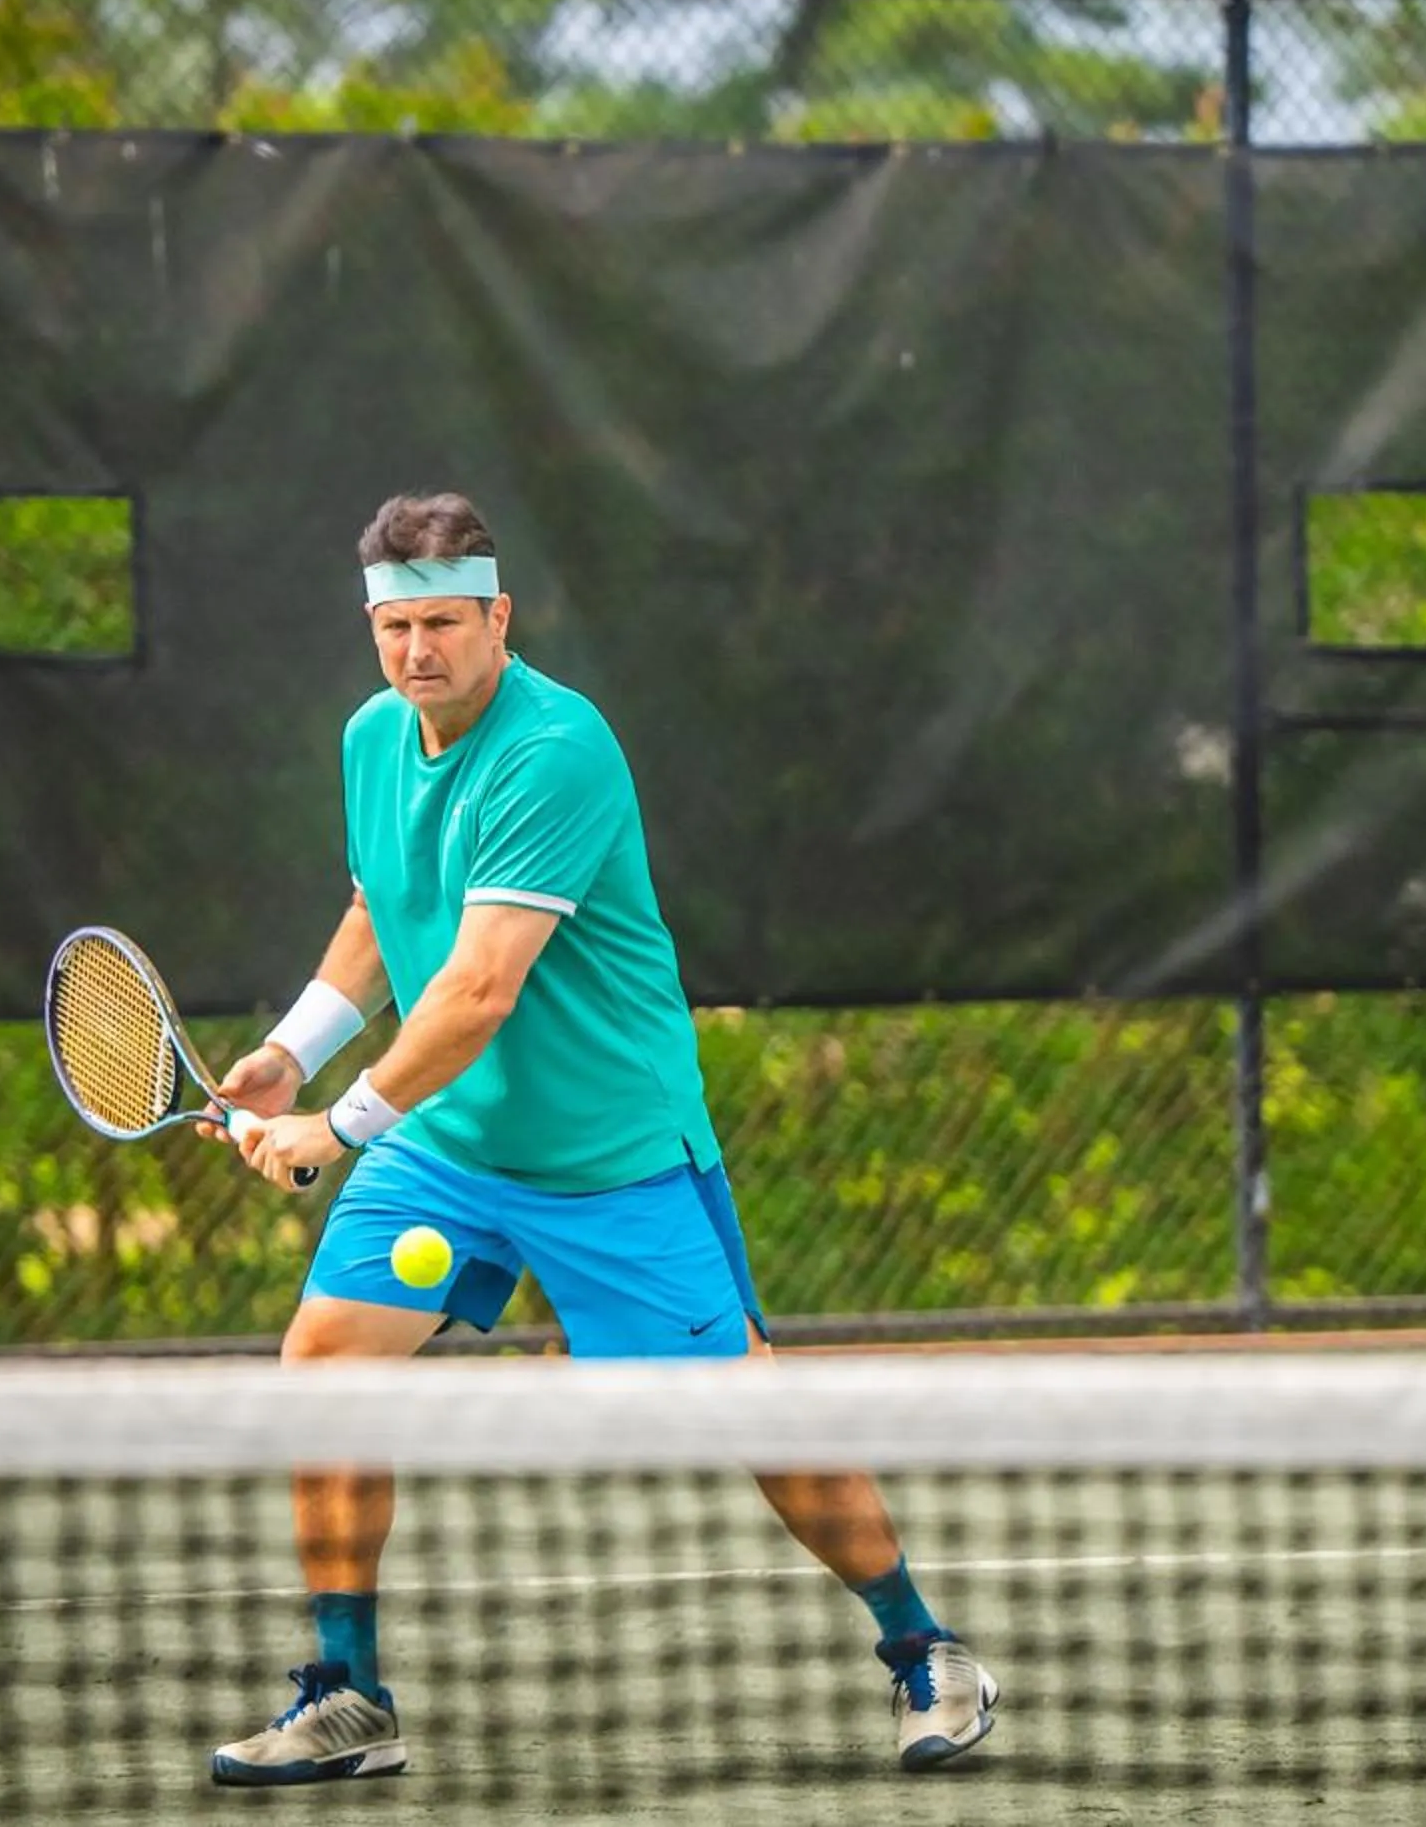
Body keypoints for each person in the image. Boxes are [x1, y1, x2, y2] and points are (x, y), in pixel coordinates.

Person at [201, 491, 1000, 1787]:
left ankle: (924, 1648)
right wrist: (295, 1046)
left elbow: (475, 991)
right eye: (397, 627)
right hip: (447, 1142)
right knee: (326, 1362)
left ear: (498, 616)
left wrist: (333, 1126)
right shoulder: (371, 741)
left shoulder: (556, 751)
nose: (419, 652)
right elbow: (383, 907)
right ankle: (349, 1696)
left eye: (445, 623)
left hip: (608, 1155)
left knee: (749, 1411)